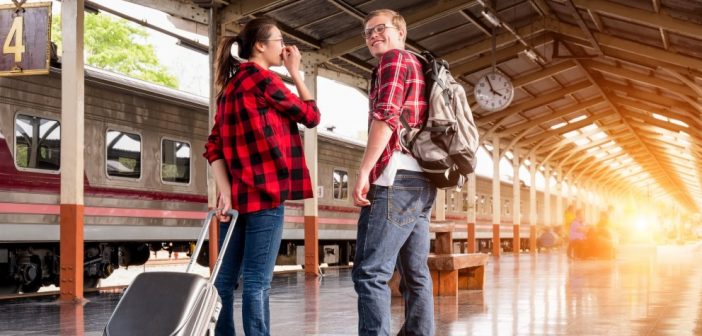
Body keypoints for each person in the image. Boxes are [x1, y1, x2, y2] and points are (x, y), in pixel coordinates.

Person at [203, 17, 320, 336]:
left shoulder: (230, 87)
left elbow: (213, 145)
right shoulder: (263, 80)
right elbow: (311, 116)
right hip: (266, 197)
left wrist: (225, 191)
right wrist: (296, 71)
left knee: (223, 283)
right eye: (279, 40)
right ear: (260, 45)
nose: (284, 47)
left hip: (237, 201)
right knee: (256, 284)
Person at [351, 9, 436, 336]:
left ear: (401, 32)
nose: (373, 36)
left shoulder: (393, 61)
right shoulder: (417, 64)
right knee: (416, 274)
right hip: (421, 180)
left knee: (370, 273)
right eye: (368, 33)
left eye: (380, 29)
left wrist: (364, 171)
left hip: (395, 178)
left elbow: (386, 117)